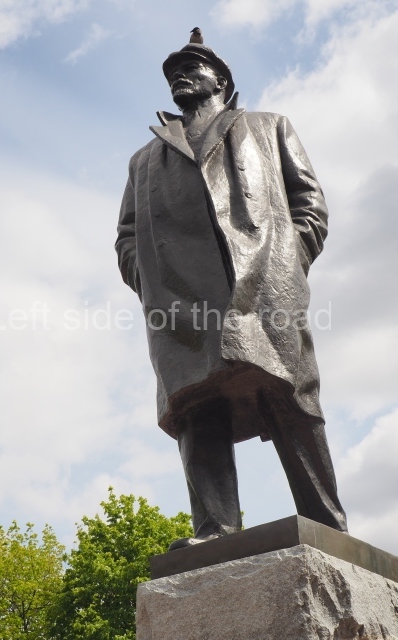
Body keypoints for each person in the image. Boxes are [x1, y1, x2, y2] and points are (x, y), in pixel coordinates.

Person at [115, 40, 348, 550]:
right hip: (177, 301)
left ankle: (328, 526)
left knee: (291, 397)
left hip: (263, 285)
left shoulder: (269, 126)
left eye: (190, 68)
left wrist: (288, 261)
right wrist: (150, 280)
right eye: (172, 73)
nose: (179, 77)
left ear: (220, 79)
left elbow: (309, 205)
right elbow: (127, 237)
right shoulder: (144, 159)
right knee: (195, 405)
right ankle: (216, 529)